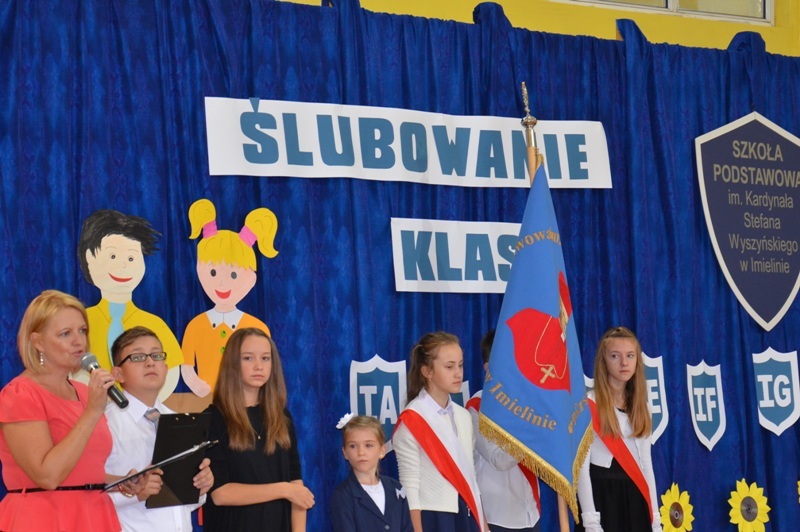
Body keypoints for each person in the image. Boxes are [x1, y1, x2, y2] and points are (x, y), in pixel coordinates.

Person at [0, 290, 146, 530]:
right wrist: (92, 412)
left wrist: (121, 482)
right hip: (44, 518)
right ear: (38, 342)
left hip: (95, 516)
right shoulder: (20, 395)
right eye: (65, 333)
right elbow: (47, 476)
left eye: (82, 331)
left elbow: (80, 471)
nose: (79, 341)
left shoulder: (86, 392)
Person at [203, 328, 314, 531]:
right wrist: (283, 490)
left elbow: (297, 487)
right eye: (248, 358)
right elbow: (220, 494)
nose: (258, 366)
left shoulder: (282, 416)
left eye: (265, 358)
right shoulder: (213, 419)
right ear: (232, 363)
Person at [104, 326, 215, 531]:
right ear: (118, 373)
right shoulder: (105, 423)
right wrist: (135, 493)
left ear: (165, 368)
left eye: (156, 355)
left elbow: (183, 505)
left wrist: (200, 487)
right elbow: (88, 494)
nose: (150, 362)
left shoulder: (179, 421)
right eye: (138, 357)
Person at [78, 209, 182, 399]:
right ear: (89, 258)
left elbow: (172, 371)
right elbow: (71, 371)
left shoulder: (155, 324)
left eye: (131, 258)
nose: (123, 266)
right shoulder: (82, 323)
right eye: (112, 256)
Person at [181, 198, 278, 398]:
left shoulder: (258, 328)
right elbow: (187, 367)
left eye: (233, 275)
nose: (223, 283)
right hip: (208, 405)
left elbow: (265, 373)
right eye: (213, 272)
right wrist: (201, 390)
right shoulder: (195, 326)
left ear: (251, 279)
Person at [393, 331, 484, 532]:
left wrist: (483, 525)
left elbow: (471, 475)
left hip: (467, 513)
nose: (458, 373)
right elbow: (410, 488)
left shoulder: (463, 416)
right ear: (427, 371)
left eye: (460, 365)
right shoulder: (412, 420)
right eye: (449, 367)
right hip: (433, 517)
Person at [576, 326, 661, 532]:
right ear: (603, 361)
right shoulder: (587, 405)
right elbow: (581, 469)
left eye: (630, 356)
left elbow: (646, 466)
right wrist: (590, 521)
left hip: (636, 499)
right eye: (615, 356)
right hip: (602, 498)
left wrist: (655, 519)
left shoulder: (642, 408)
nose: (624, 362)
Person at [467, 330, 541, 532]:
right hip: (497, 515)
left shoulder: (529, 404)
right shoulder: (477, 407)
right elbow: (498, 460)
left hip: (531, 512)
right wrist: (530, 431)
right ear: (488, 368)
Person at [330, 414, 413, 532]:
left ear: (382, 450)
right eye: (353, 446)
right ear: (345, 453)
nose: (361, 452)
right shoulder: (343, 495)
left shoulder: (395, 488)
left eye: (368, 445)